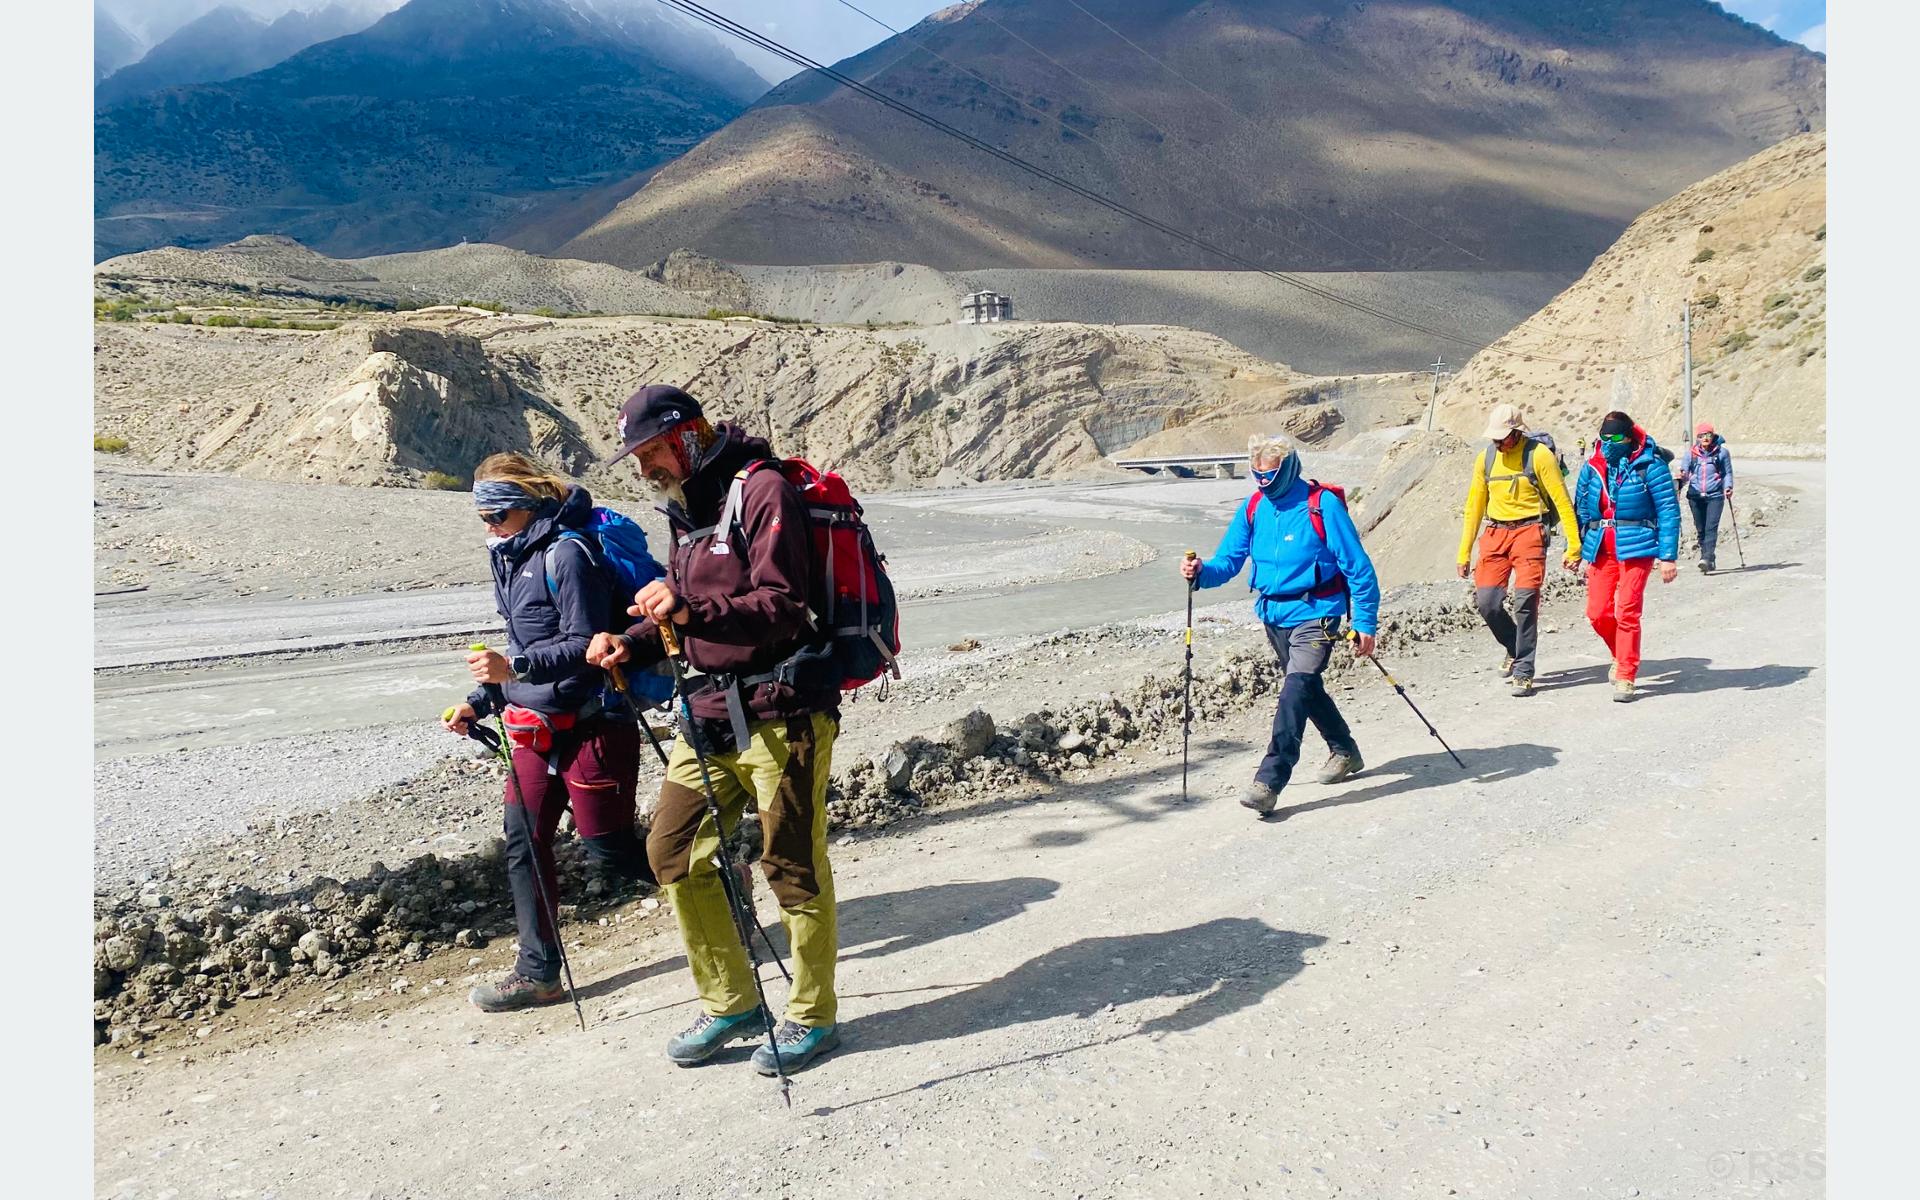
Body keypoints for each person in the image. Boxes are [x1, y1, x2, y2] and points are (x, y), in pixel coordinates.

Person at [585, 385, 844, 1075]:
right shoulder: (688, 508)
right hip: (705, 712)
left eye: (649, 454)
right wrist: (631, 642)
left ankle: (812, 1015)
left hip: (782, 712)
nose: (645, 470)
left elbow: (781, 605)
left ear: (688, 434)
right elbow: (683, 611)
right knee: (671, 853)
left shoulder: (762, 492)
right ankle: (730, 1000)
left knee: (791, 865)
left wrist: (687, 609)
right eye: (638, 460)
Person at [441, 453, 655, 1012]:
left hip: (595, 720)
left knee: (608, 851)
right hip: (534, 725)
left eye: (499, 515)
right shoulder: (510, 558)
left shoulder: (569, 553)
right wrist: (480, 701)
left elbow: (586, 646)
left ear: (530, 505)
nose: (489, 528)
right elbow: (523, 649)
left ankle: (722, 883)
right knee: (524, 843)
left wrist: (513, 673)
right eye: (483, 518)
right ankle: (537, 973)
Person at [1181, 433, 1381, 816]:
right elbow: (1229, 561)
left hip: (1317, 612)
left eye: (1269, 476)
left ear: (1288, 469)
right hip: (1274, 616)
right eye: (1256, 475)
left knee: (1296, 688)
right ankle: (1345, 750)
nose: (1262, 483)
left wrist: (1366, 621)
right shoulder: (1254, 507)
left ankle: (1269, 780)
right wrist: (1200, 572)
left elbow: (1358, 567)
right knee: (1305, 689)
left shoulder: (1321, 505)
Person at [1456, 403, 1583, 698]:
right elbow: (1474, 507)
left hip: (1529, 533)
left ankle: (1524, 669)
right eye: (1494, 438)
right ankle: (1514, 647)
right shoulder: (1485, 459)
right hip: (1495, 533)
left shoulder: (1539, 456)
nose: (1497, 443)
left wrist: (1573, 546)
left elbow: (1563, 502)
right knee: (1487, 602)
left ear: (1517, 432)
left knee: (1525, 603)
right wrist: (1463, 552)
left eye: (1502, 438)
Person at [1573, 413, 1682, 702]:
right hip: (1601, 548)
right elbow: (1581, 507)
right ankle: (1619, 653)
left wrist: (1668, 556)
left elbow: (1669, 512)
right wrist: (1576, 547)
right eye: (1604, 438)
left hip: (1638, 547)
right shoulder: (1593, 466)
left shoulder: (1652, 465)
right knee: (1597, 613)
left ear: (1630, 437)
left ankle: (1626, 674)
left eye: (1616, 438)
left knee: (1628, 611)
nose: (1609, 444)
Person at [1675, 421, 1734, 572]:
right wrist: (1681, 477)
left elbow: (1727, 473)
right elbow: (1685, 473)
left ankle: (1707, 557)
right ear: (1698, 438)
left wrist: (1728, 487)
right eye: (1702, 436)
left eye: (1708, 435)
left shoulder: (1722, 453)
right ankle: (1707, 557)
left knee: (1711, 527)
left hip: (1715, 495)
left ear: (1713, 436)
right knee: (1700, 528)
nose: (1705, 438)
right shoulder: (1691, 454)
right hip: (1695, 496)